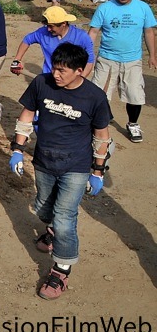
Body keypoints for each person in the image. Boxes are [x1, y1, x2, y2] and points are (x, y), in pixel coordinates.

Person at [8, 43, 111, 300]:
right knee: (43, 208)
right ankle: (52, 230)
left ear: (79, 71)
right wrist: (18, 149)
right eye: (54, 68)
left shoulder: (95, 97)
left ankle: (60, 271)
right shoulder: (41, 84)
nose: (56, 74)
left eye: (62, 70)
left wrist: (98, 171)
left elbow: (101, 135)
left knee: (65, 218)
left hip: (75, 166)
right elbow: (27, 115)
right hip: (44, 161)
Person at [88, 0, 157, 143]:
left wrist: (153, 56)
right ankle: (98, 123)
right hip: (106, 59)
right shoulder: (105, 8)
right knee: (99, 94)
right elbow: (93, 32)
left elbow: (149, 32)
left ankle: (133, 124)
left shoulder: (143, 8)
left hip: (132, 60)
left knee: (135, 95)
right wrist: (88, 55)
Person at [12, 6, 94, 77]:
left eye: (51, 26)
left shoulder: (81, 37)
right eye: (47, 25)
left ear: (63, 24)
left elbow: (90, 61)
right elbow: (27, 40)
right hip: (48, 78)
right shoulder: (43, 33)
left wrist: (80, 79)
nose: (48, 29)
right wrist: (17, 60)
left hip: (70, 82)